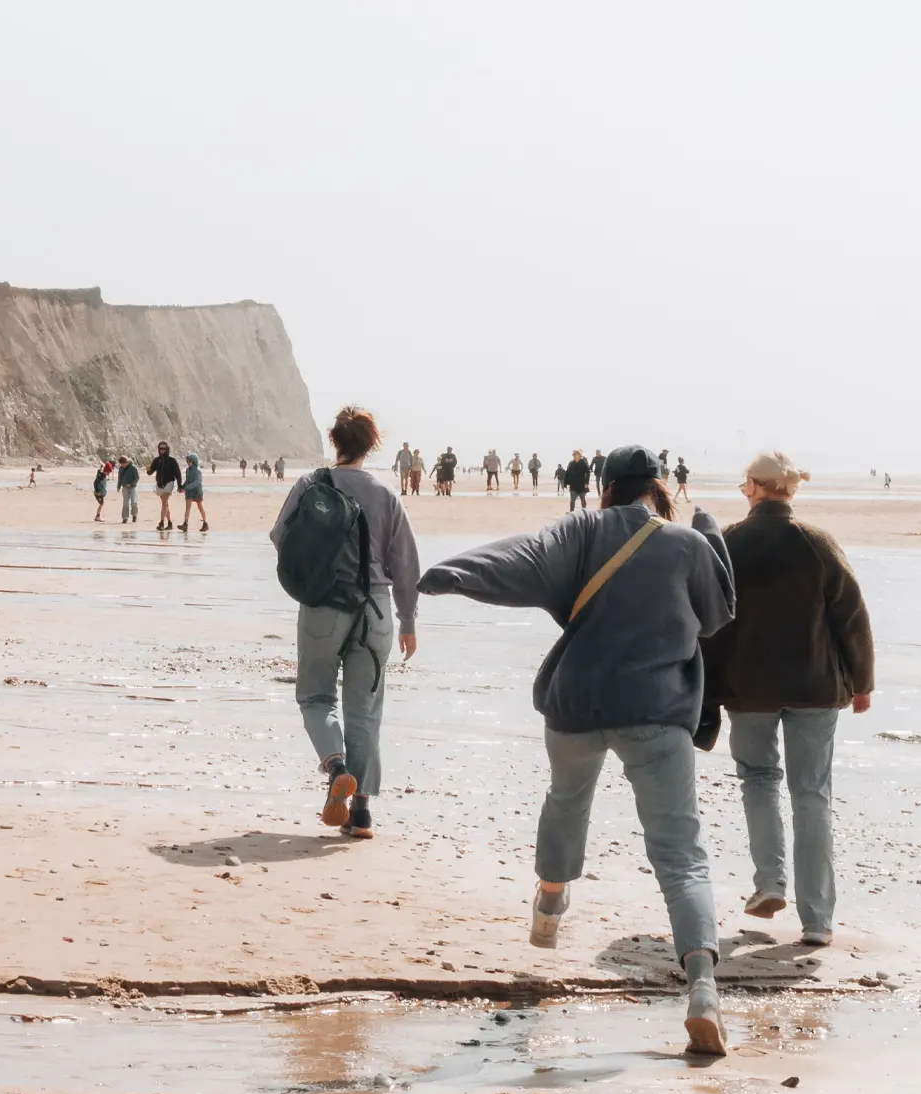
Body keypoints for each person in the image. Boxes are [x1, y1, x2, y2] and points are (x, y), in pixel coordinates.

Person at [416, 444, 736, 1056]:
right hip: (658, 713)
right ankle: (701, 991)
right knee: (680, 854)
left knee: (567, 802)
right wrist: (711, 537)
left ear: (606, 487)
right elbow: (718, 615)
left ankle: (552, 901)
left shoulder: (581, 531)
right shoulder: (685, 544)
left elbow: (520, 557)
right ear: (658, 488)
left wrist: (449, 573)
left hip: (578, 706)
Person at [701, 452, 873, 947]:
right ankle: (817, 921)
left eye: (744, 486)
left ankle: (769, 882)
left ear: (755, 487)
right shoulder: (817, 542)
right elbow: (851, 615)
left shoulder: (730, 542)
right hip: (815, 687)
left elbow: (709, 620)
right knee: (812, 795)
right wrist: (862, 681)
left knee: (758, 780)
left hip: (749, 689)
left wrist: (706, 690)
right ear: (791, 491)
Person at [270, 406, 421, 842]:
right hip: (374, 611)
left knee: (316, 696)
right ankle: (362, 814)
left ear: (334, 441)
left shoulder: (312, 484)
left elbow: (281, 536)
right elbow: (405, 563)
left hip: (323, 604)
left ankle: (336, 767)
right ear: (371, 444)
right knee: (366, 711)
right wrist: (408, 620)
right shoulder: (386, 493)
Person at [146, 441, 181, 530]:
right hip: (159, 484)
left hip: (169, 482)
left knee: (164, 502)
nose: (162, 450)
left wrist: (180, 486)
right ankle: (169, 523)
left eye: (164, 449)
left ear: (167, 449)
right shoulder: (156, 460)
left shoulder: (172, 460)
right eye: (160, 448)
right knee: (164, 504)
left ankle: (161, 523)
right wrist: (148, 470)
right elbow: (150, 472)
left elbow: (178, 474)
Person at [179, 453, 208, 532]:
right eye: (187, 461)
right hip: (189, 492)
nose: (188, 462)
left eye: (189, 461)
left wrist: (186, 488)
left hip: (197, 491)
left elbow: (197, 482)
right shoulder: (188, 470)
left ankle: (205, 523)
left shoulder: (198, 472)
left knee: (200, 507)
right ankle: (185, 524)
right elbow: (187, 480)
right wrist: (182, 487)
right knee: (187, 508)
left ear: (194, 461)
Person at [116, 455, 140, 523]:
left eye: (123, 463)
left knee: (133, 502)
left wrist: (132, 484)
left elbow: (137, 478)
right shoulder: (121, 468)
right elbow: (120, 478)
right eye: (121, 464)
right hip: (125, 487)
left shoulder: (133, 467)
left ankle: (134, 516)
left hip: (133, 487)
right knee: (125, 503)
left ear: (126, 462)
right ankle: (125, 518)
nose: (122, 465)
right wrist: (118, 486)